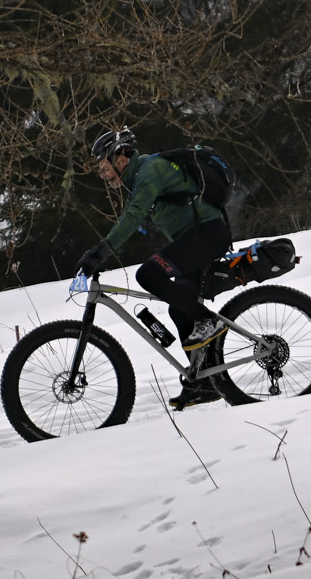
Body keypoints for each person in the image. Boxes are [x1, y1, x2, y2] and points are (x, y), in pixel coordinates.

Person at [78, 128, 230, 408]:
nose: (103, 174)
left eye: (104, 166)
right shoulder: (139, 177)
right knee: (179, 310)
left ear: (121, 157)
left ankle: (209, 320)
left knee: (148, 274)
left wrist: (101, 252)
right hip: (197, 238)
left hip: (206, 235)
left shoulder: (149, 171)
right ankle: (206, 383)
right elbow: (131, 216)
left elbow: (133, 215)